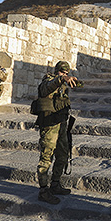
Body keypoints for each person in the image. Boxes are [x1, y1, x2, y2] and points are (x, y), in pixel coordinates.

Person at [35, 60, 78, 204]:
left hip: (61, 124)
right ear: (56, 71)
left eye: (66, 73)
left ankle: (55, 183)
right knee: (46, 156)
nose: (64, 75)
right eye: (62, 72)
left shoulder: (63, 84)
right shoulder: (48, 80)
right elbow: (45, 89)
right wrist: (61, 79)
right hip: (49, 124)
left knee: (63, 154)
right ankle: (43, 190)